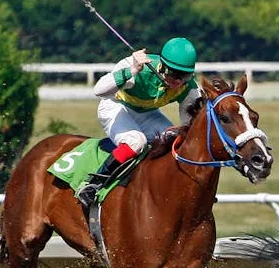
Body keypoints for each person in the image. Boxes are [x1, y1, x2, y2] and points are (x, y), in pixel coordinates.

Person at [78, 37, 200, 208]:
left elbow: (190, 128)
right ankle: (93, 184)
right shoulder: (136, 66)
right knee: (136, 142)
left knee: (175, 142)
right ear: (162, 67)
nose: (179, 82)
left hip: (147, 113)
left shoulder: (189, 88)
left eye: (185, 76)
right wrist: (133, 70)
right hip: (116, 106)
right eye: (174, 74)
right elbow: (99, 90)